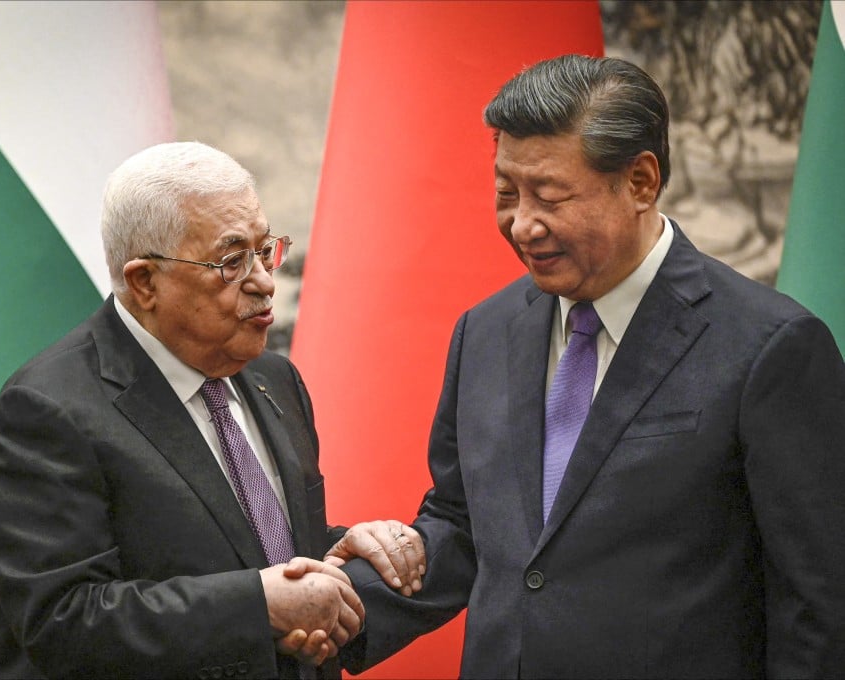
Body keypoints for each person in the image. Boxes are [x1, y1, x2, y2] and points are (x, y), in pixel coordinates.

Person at [330, 54, 845, 678]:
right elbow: (468, 523)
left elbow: (818, 600)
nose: (522, 224)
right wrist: (338, 606)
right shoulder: (485, 331)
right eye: (506, 193)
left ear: (641, 182)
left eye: (549, 196)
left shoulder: (771, 347)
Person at [0, 142, 417, 679]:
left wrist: (338, 550)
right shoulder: (46, 410)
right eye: (231, 261)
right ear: (144, 283)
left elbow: (243, 546)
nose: (264, 280)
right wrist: (257, 606)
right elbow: (60, 620)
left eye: (265, 249)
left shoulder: (275, 378)